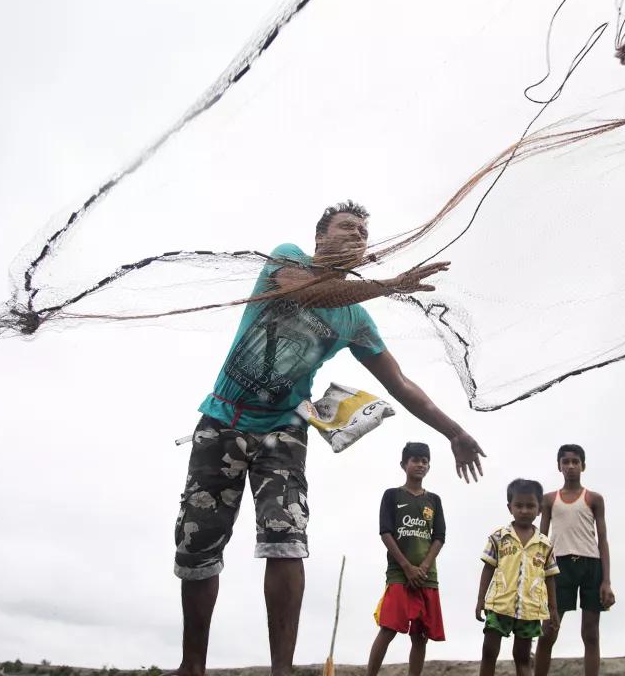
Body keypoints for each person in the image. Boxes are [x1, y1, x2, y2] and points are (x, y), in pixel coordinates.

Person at [172, 201, 486, 676]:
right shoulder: (287, 259)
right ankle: (192, 665)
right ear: (320, 237)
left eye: (363, 233)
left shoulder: (357, 321)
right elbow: (309, 294)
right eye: (347, 227)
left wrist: (455, 432)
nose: (356, 236)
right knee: (198, 547)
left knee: (286, 537)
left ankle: (282, 671)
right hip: (223, 420)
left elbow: (400, 385)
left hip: (285, 430)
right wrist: (391, 286)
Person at [534, 444, 614, 676]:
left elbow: (603, 540)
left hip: (591, 564)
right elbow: (541, 539)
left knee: (590, 633)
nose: (570, 466)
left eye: (575, 462)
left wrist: (606, 581)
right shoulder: (549, 499)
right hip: (559, 566)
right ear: (559, 466)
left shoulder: (594, 499)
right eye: (566, 462)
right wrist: (538, 573)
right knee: (548, 630)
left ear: (583, 466)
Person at [367, 442, 446, 676]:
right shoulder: (392, 496)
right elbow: (385, 532)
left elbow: (439, 537)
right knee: (388, 627)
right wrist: (407, 567)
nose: (420, 464)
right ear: (404, 464)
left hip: (426, 575)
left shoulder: (434, 500)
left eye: (425, 460)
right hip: (399, 573)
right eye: (415, 460)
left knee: (420, 636)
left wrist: (422, 567)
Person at [476, 479, 559, 676]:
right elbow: (488, 568)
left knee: (522, 657)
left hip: (530, 609)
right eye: (518, 505)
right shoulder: (498, 537)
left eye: (530, 506)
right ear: (509, 507)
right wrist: (481, 600)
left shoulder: (545, 545)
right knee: (489, 651)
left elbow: (550, 578)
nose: (524, 510)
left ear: (539, 510)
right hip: (499, 604)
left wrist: (553, 609)